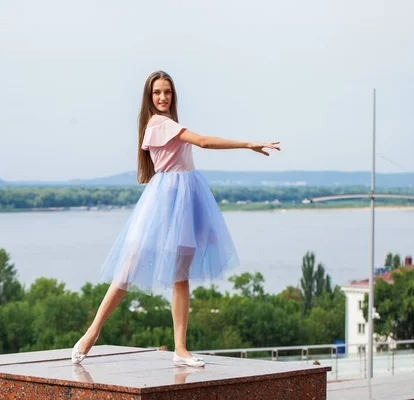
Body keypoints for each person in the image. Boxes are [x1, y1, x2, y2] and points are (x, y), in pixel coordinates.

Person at [72, 70, 280, 367]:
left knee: (181, 276)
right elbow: (204, 142)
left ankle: (180, 349)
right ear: (149, 97)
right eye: (157, 92)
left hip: (186, 197)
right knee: (129, 266)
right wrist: (248, 144)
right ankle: (92, 332)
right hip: (166, 199)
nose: (162, 97)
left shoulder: (169, 123)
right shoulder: (157, 124)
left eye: (167, 92)